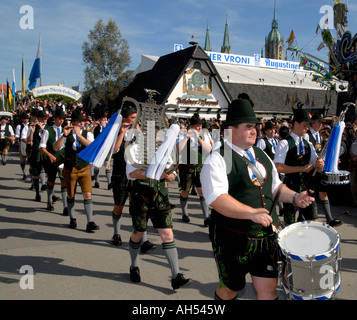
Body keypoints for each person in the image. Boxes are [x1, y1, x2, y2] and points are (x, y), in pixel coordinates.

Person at [200, 98, 315, 300]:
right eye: (248, 127)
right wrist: (251, 212)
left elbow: (276, 188)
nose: (254, 131)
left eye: (255, 127)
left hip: (266, 237)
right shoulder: (221, 157)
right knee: (230, 289)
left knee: (268, 288)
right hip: (233, 237)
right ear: (231, 129)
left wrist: (295, 197)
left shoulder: (261, 154)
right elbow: (216, 198)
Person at [126, 122, 192, 290]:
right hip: (140, 197)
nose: (156, 135)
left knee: (167, 235)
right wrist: (151, 172)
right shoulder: (134, 148)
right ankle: (134, 265)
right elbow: (131, 173)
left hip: (161, 197)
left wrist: (166, 175)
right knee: (138, 234)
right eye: (153, 131)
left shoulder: (166, 150)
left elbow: (172, 176)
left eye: (158, 131)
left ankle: (176, 275)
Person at [110, 104, 155, 252]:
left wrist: (140, 133)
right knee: (119, 206)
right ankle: (116, 233)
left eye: (136, 118)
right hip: (121, 175)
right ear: (125, 118)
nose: (135, 120)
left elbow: (146, 150)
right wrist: (122, 133)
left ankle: (144, 240)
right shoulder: (116, 131)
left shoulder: (138, 132)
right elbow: (115, 150)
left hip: (136, 175)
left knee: (141, 208)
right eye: (132, 118)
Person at [274, 109, 325, 225]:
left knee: (313, 221)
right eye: (305, 125)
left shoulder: (309, 144)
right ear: (296, 123)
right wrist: (301, 169)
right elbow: (278, 167)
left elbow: (317, 166)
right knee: (289, 223)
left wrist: (320, 165)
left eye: (308, 126)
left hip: (307, 188)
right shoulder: (284, 143)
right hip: (291, 187)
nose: (307, 128)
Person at [53, 109, 99, 232]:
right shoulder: (66, 134)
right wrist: (64, 135)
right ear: (73, 122)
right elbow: (56, 148)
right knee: (71, 194)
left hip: (84, 168)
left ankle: (90, 221)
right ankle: (72, 218)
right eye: (78, 122)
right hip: (70, 168)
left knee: (87, 193)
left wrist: (79, 135)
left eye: (82, 122)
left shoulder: (87, 134)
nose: (81, 124)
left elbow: (91, 146)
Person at [306, 112, 342, 227]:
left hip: (320, 168)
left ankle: (329, 218)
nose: (321, 125)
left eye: (322, 123)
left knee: (323, 191)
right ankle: (303, 218)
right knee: (308, 195)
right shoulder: (307, 136)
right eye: (319, 122)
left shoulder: (319, 136)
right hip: (310, 169)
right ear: (313, 123)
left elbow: (324, 152)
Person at [176, 114, 212, 226]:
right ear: (191, 126)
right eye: (197, 126)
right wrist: (187, 137)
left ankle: (206, 217)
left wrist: (199, 139)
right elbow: (178, 148)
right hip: (187, 168)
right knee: (185, 191)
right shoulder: (183, 134)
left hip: (200, 168)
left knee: (202, 192)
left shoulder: (204, 135)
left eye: (200, 126)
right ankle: (185, 213)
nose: (200, 128)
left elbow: (209, 149)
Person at [39, 108, 68, 213]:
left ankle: (65, 206)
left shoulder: (66, 130)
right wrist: (50, 155)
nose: (61, 120)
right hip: (51, 159)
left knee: (64, 182)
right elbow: (42, 147)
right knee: (51, 181)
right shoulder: (48, 130)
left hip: (62, 159)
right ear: (54, 119)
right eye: (59, 118)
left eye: (62, 119)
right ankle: (49, 201)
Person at [26, 109, 48, 201]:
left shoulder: (48, 128)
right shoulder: (32, 127)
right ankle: (37, 193)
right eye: (41, 119)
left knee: (47, 172)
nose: (43, 121)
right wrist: (32, 131)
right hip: (36, 152)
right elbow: (28, 141)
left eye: (44, 119)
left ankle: (44, 186)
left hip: (46, 153)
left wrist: (42, 129)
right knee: (36, 174)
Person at [15, 112, 30, 179]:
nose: (26, 120)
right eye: (25, 119)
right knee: (22, 159)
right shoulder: (19, 126)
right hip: (23, 142)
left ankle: (31, 173)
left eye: (27, 119)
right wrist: (15, 138)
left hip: (30, 142)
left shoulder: (31, 125)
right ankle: (24, 172)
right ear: (22, 119)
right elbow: (17, 135)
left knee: (31, 159)